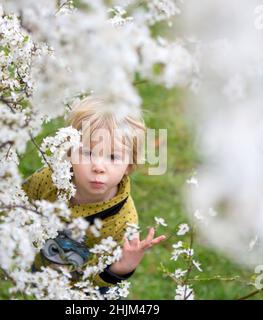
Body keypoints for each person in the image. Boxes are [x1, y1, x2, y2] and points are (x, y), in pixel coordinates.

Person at [22, 96, 166, 293]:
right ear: (69, 152)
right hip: (42, 270)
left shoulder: (123, 220)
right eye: (87, 153)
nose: (98, 166)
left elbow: (102, 276)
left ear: (129, 166)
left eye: (113, 157)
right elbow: (19, 203)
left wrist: (124, 266)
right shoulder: (48, 180)